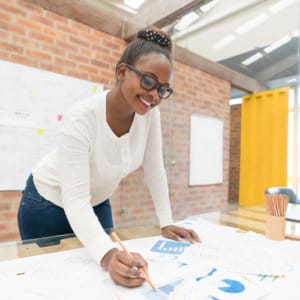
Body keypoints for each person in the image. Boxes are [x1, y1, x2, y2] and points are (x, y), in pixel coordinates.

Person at [17, 26, 201, 288]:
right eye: (148, 81)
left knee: (105, 280)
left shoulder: (150, 115)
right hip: (46, 204)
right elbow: (76, 199)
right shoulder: (81, 118)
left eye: (162, 89)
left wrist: (166, 221)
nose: (153, 95)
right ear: (122, 72)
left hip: (96, 202)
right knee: (51, 284)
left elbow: (154, 168)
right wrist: (108, 255)